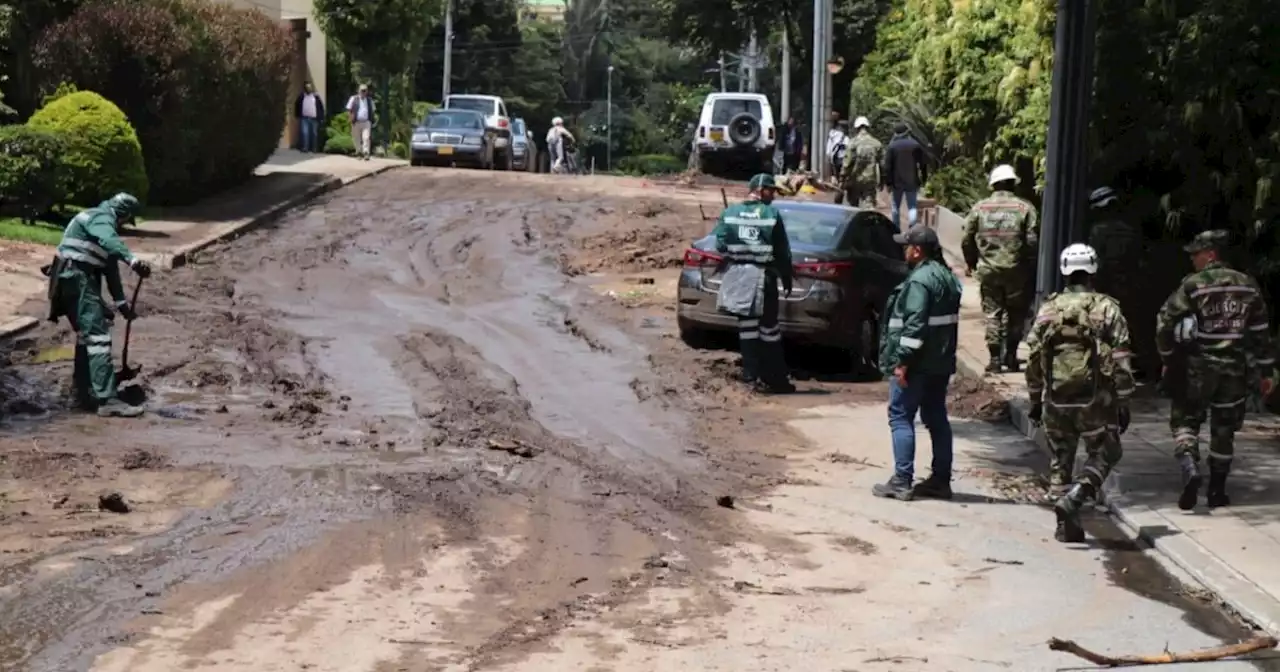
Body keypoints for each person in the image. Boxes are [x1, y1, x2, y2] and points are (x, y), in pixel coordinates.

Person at [1156, 230, 1275, 510]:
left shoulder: (1193, 285)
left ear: (1211, 254)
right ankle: (1217, 491)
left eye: (1196, 254)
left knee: (1185, 419)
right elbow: (1260, 332)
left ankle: (1189, 466)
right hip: (1234, 370)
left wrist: (1169, 359)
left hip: (1198, 367)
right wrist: (1267, 371)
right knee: (1224, 429)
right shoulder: (1248, 286)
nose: (1193, 260)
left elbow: (1165, 323)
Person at [1025, 244, 1135, 542]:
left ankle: (1065, 526)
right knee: (1108, 451)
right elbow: (1122, 359)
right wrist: (1123, 400)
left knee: (1061, 457)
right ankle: (1076, 497)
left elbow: (1033, 356)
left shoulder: (1049, 309)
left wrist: (1035, 398)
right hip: (1097, 401)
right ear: (1092, 270)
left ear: (1064, 271)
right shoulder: (1107, 308)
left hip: (1056, 398)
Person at [872, 224, 962, 501]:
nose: (904, 250)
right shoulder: (947, 277)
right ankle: (940, 479)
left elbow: (914, 326)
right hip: (939, 362)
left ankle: (902, 480)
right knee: (936, 418)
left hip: (918, 364)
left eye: (907, 246)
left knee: (900, 417)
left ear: (917, 250)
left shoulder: (919, 281)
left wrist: (903, 363)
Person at [46, 193, 152, 417]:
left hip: (71, 277)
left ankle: (83, 395)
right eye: (125, 221)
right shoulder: (100, 219)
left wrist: (122, 304)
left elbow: (111, 270)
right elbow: (110, 241)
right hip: (76, 277)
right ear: (121, 214)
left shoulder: (100, 227)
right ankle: (107, 400)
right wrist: (133, 261)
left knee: (87, 335)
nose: (123, 225)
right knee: (98, 337)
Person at [711, 173, 796, 394]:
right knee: (769, 329)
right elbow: (782, 251)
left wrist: (737, 250)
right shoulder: (771, 214)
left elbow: (719, 244)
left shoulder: (729, 213)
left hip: (739, 276)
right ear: (760, 190)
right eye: (771, 190)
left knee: (747, 327)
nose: (773, 196)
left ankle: (750, 377)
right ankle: (775, 379)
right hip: (764, 277)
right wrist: (786, 276)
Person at [961, 164, 1039, 374]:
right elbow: (1032, 241)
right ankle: (1011, 356)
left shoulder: (979, 208)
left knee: (993, 314)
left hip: (988, 271)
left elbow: (967, 238)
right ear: (1013, 183)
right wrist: (1030, 265)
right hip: (1017, 271)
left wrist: (971, 262)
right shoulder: (1025, 208)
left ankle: (995, 360)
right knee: (1016, 313)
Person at [1086, 186, 1147, 372]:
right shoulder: (1130, 230)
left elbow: (1095, 261)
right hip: (1130, 284)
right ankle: (1133, 365)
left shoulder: (1098, 231)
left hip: (1107, 285)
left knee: (1103, 324)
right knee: (1130, 324)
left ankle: (1105, 365)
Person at [883, 123, 928, 229]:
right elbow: (923, 163)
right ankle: (912, 228)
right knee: (912, 206)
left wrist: (888, 183)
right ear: (906, 132)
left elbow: (887, 167)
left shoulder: (892, 146)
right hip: (912, 180)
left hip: (896, 182)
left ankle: (896, 228)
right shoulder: (915, 145)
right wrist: (924, 178)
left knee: (895, 206)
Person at [840, 116, 883, 208]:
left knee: (852, 207)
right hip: (870, 180)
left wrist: (842, 179)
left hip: (854, 179)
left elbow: (847, 164)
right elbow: (882, 164)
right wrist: (883, 180)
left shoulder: (852, 143)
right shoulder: (876, 143)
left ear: (856, 128)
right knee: (869, 205)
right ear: (868, 128)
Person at [294, 82, 325, 153]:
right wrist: (297, 115)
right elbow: (297, 105)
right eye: (307, 87)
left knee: (314, 134)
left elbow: (321, 107)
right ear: (305, 89)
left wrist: (321, 117)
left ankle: (314, 149)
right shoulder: (302, 96)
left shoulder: (315, 97)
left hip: (314, 118)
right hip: (304, 118)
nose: (309, 89)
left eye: (310, 87)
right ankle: (305, 148)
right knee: (305, 133)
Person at [346, 84, 375, 160]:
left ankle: (366, 153)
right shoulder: (353, 98)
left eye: (365, 90)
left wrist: (371, 120)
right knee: (356, 138)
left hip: (366, 122)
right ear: (358, 90)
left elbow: (373, 110)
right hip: (356, 121)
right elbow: (349, 109)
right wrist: (350, 118)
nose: (363, 92)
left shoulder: (369, 100)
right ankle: (358, 152)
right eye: (362, 90)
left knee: (366, 138)